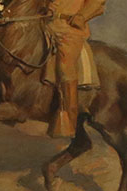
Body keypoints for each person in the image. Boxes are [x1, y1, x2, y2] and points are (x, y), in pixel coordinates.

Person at [42, 1, 108, 138]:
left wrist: (82, 17)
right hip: (45, 24)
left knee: (65, 64)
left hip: (69, 29)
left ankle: (68, 118)